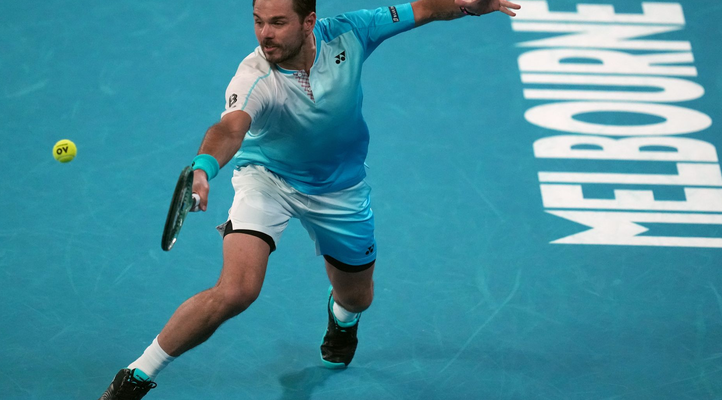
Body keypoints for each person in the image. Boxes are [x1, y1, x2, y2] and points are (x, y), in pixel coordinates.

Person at [98, 0, 519, 398]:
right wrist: (204, 167)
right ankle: (136, 376)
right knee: (237, 290)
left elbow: (424, 8)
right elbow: (229, 129)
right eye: (258, 21)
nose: (265, 34)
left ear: (309, 22)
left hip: (340, 190)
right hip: (268, 181)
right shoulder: (254, 77)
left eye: (277, 22)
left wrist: (467, 6)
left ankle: (342, 319)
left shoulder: (352, 32)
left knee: (358, 297)